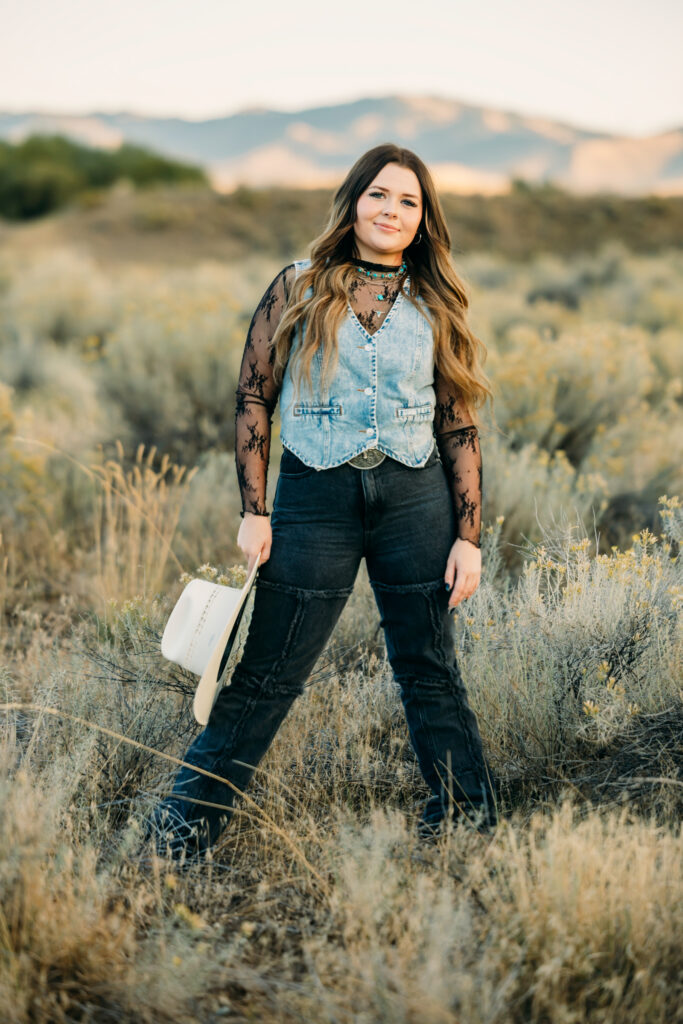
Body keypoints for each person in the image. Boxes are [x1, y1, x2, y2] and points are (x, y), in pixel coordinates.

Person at [149, 142, 498, 860]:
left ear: (423, 218)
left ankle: (467, 825)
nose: (391, 211)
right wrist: (254, 511)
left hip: (415, 501)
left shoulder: (437, 302)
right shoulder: (298, 285)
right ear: (353, 202)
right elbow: (254, 397)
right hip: (314, 500)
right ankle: (177, 839)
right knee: (266, 676)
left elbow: (456, 420)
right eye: (379, 195)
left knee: (428, 669)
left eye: (408, 201)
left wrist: (468, 536)